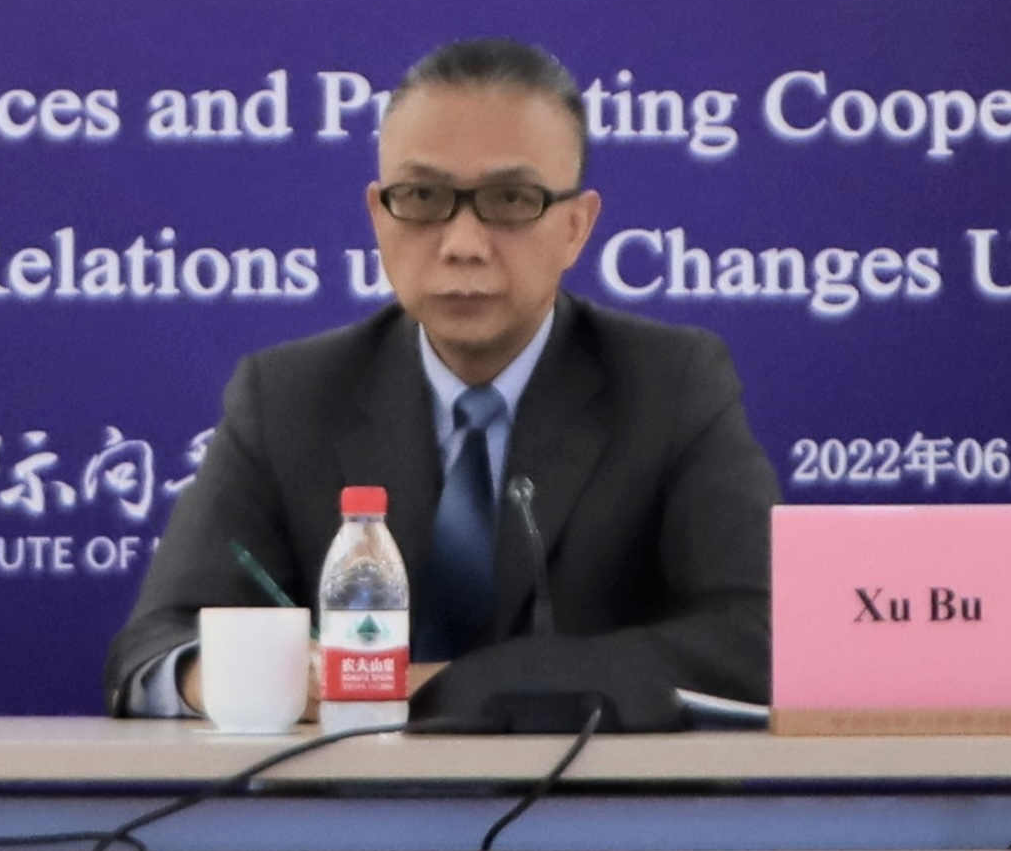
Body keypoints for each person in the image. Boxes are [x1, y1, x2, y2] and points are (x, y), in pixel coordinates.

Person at [107, 37, 774, 718]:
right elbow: (157, 645)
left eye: (511, 199)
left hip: (591, 787)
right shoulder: (287, 396)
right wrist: (231, 675)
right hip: (338, 786)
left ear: (576, 227)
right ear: (378, 216)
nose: (462, 244)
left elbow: (760, 636)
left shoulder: (671, 384)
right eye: (423, 197)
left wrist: (462, 684)